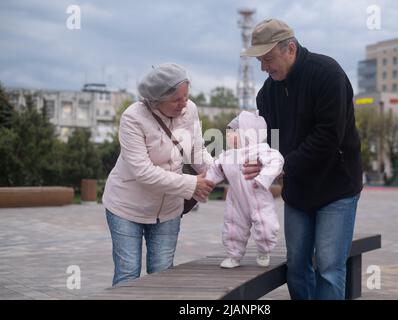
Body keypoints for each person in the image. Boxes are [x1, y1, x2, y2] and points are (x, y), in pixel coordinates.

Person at [102, 63, 261, 286]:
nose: (184, 103)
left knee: (163, 273)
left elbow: (196, 151)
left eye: (186, 96)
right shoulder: (132, 118)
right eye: (177, 99)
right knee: (128, 274)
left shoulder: (190, 110)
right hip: (126, 207)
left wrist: (222, 172)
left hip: (168, 210)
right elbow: (143, 172)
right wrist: (191, 184)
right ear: (156, 100)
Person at [242, 19, 363, 299]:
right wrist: (259, 160)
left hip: (337, 187)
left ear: (291, 49)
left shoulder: (327, 74)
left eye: (268, 59)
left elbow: (328, 137)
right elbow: (269, 144)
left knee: (330, 268)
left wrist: (282, 166)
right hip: (298, 191)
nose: (264, 68)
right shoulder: (267, 93)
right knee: (296, 266)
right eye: (260, 61)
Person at [205, 111, 284, 268]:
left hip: (258, 196)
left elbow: (277, 160)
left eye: (233, 132)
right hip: (236, 199)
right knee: (233, 226)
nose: (229, 137)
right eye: (228, 134)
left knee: (266, 225)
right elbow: (215, 169)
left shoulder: (262, 150)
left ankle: (264, 250)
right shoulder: (227, 155)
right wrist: (207, 184)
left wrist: (264, 178)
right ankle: (233, 255)